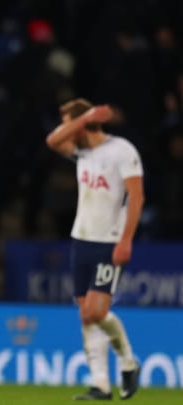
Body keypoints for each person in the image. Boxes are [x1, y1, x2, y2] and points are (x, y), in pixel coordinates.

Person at [45, 98, 142, 400]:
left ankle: (128, 361)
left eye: (69, 122)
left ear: (82, 125)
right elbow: (52, 140)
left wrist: (126, 240)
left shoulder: (122, 150)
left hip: (109, 241)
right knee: (85, 314)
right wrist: (83, 118)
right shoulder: (82, 152)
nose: (65, 129)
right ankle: (100, 384)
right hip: (81, 239)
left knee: (95, 311)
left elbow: (137, 197)